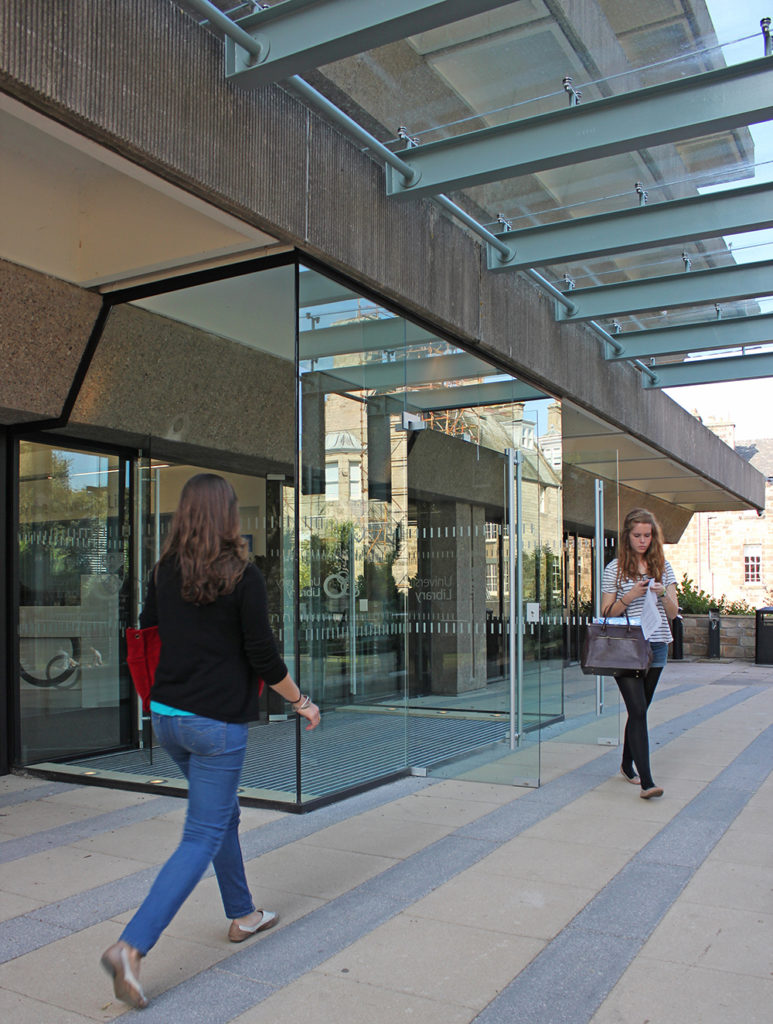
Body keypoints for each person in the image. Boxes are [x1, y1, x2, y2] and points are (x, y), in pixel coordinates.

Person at [101, 474, 320, 1009]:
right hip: (215, 726)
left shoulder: (163, 572)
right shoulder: (244, 577)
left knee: (220, 816)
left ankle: (243, 915)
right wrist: (301, 701)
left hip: (168, 720)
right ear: (227, 516)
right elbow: (264, 658)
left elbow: (147, 637)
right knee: (200, 835)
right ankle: (131, 948)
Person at [601, 508, 677, 800]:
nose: (643, 541)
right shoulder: (615, 569)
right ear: (627, 537)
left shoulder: (663, 567)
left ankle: (625, 764)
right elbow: (606, 612)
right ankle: (647, 781)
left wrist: (660, 593)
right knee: (639, 710)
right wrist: (630, 595)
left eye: (647, 535)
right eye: (637, 535)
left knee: (639, 710)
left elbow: (673, 612)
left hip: (656, 645)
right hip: (626, 648)